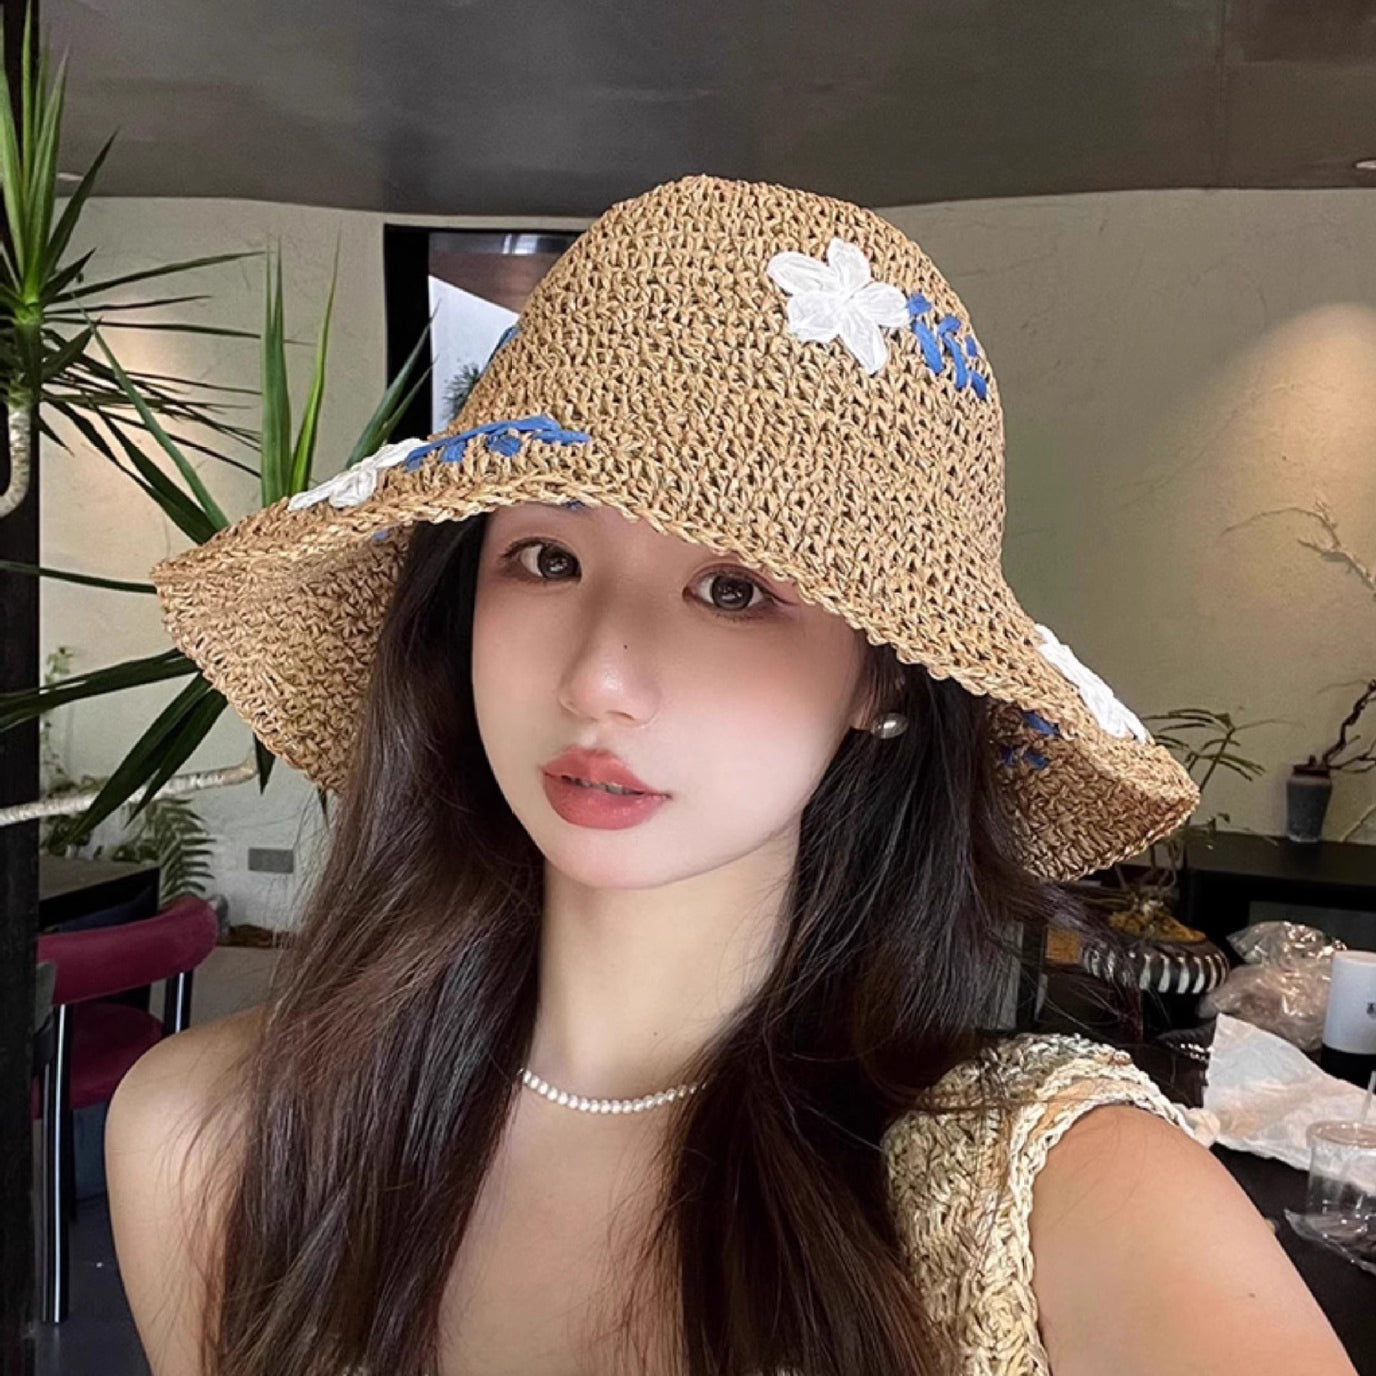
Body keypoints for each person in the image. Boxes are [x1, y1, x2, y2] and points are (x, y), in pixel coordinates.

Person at [104, 174, 1356, 1376]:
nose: (600, 675)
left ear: (881, 677)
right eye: (545, 558)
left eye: (733, 589)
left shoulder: (1061, 1203)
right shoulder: (209, 1142)